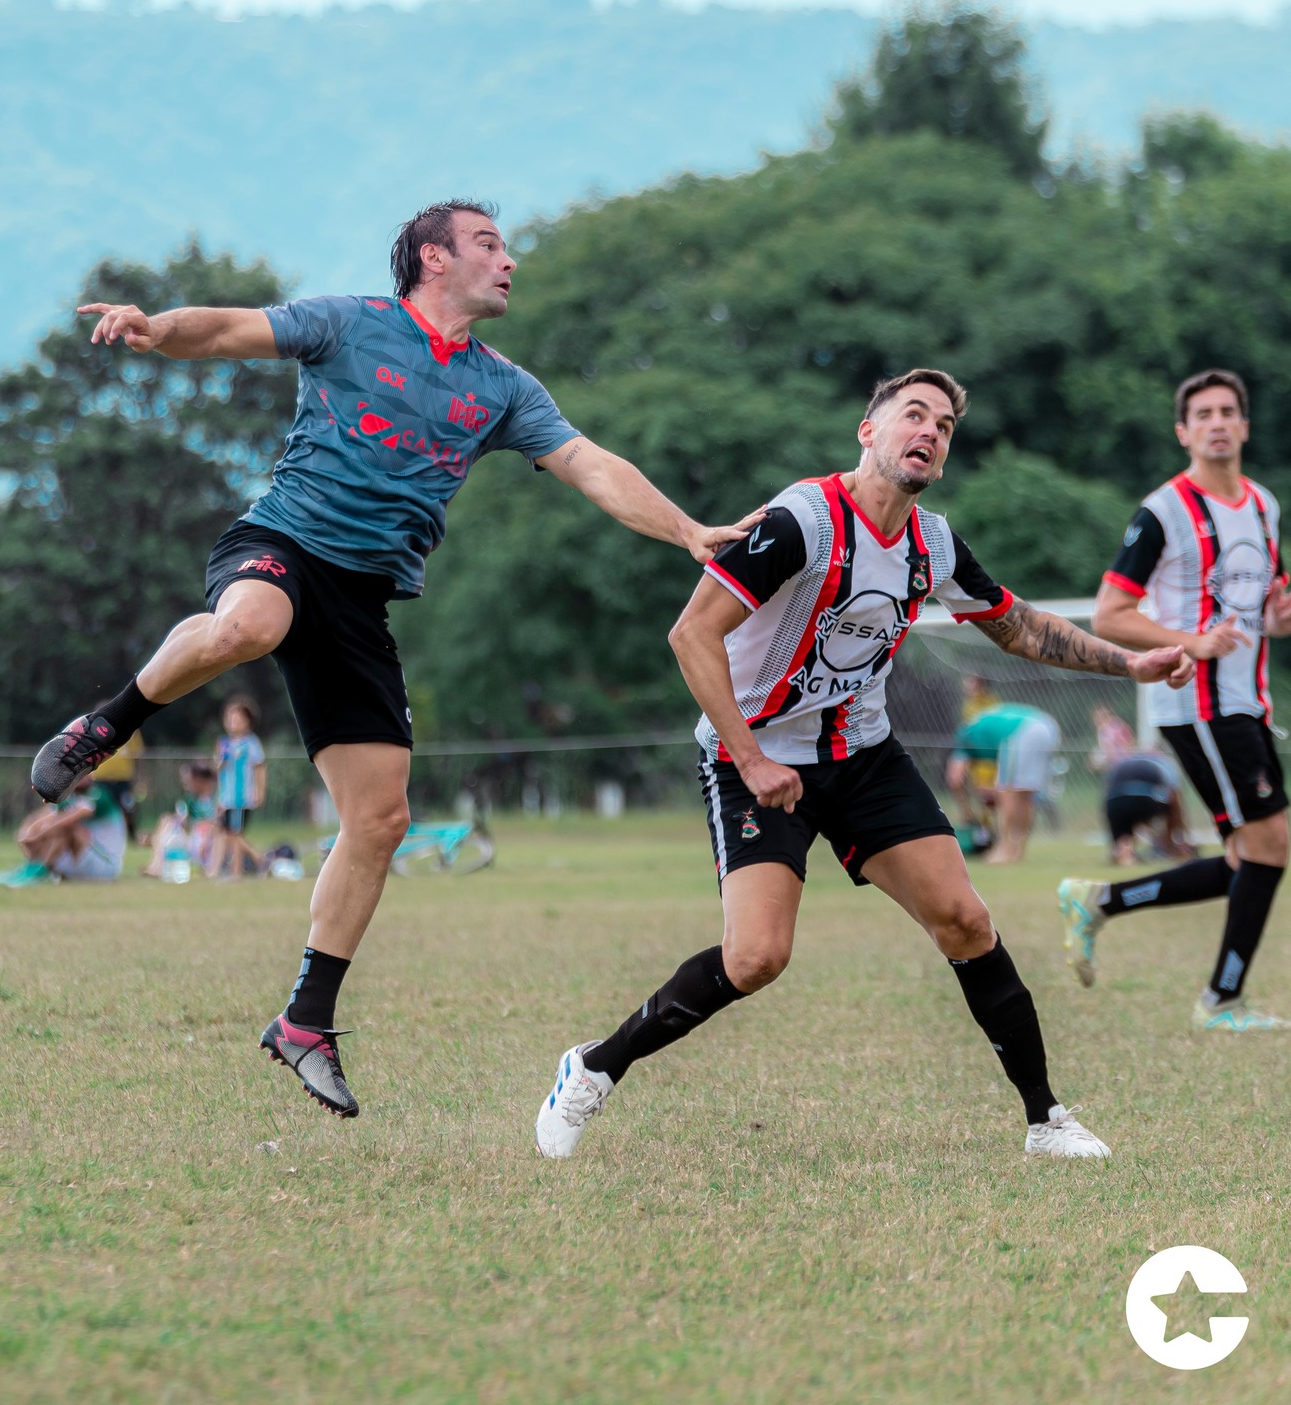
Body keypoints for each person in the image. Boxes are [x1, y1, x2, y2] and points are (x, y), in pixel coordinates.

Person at [29, 200, 758, 1118]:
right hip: (280, 545)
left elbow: (591, 465)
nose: (509, 261)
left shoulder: (503, 388)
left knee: (379, 821)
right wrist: (155, 327)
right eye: (488, 244)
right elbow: (226, 331)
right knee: (249, 626)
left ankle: (304, 1021)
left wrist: (687, 530)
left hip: (361, 600)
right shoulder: (349, 324)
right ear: (431, 258)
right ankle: (107, 724)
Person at [535, 368, 1195, 1165]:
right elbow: (691, 635)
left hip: (862, 756)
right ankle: (595, 1067)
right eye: (913, 415)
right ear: (868, 431)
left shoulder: (932, 544)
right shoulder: (800, 523)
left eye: (943, 426)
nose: (929, 432)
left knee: (965, 920)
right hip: (756, 761)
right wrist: (750, 757)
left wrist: (1131, 664)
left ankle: (1045, 1120)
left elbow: (1017, 627)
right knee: (755, 958)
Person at [1060, 368, 1291, 1028]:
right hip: (1199, 704)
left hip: (1246, 701)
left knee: (1253, 855)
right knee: (1270, 843)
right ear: (1183, 432)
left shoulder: (1263, 506)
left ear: (1244, 426)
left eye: (1226, 412)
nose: (1216, 423)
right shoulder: (1164, 511)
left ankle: (1099, 901)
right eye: (1202, 414)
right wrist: (1191, 642)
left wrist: (1275, 619)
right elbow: (1110, 614)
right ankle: (1220, 1001)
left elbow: (1263, 606)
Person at [945, 701, 1061, 865]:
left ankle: (1004, 850)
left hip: (1023, 733)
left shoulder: (964, 736)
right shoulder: (982, 728)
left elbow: (955, 780)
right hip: (1048, 728)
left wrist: (967, 813)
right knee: (1026, 795)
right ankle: (1018, 850)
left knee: (1007, 792)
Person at [14, 777, 127, 882]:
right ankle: (31, 868)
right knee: (45, 824)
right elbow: (47, 817)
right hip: (84, 860)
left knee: (67, 828)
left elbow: (71, 818)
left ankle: (42, 870)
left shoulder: (98, 795)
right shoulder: (71, 796)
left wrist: (37, 836)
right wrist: (29, 832)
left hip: (105, 864)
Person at [210, 698, 267, 879]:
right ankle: (257, 860)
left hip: (241, 797)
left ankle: (237, 871)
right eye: (230, 718)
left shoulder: (251, 743)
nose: (233, 722)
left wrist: (260, 791)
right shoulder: (224, 743)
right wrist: (218, 797)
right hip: (226, 798)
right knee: (227, 834)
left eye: (238, 719)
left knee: (235, 834)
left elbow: (259, 767)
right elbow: (219, 770)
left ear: (248, 721)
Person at [1103, 751, 1191, 867]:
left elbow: (1107, 793)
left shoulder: (1123, 762)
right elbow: (1173, 796)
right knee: (1171, 808)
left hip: (1115, 801)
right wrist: (1180, 832)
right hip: (1145, 799)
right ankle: (1170, 846)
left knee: (1123, 824)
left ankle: (1123, 850)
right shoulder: (1165, 763)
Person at [143, 758, 219, 878]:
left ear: (199, 780)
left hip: (208, 844)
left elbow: (218, 825)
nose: (186, 784)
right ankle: (156, 866)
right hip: (193, 840)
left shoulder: (216, 800)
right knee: (166, 820)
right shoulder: (189, 800)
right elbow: (182, 822)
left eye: (189, 780)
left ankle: (156, 865)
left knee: (167, 822)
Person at [91, 727, 144, 841]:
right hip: (101, 779)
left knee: (128, 808)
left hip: (123, 779)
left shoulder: (133, 729)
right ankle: (100, 834)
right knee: (101, 809)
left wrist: (139, 778)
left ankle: (131, 836)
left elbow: (137, 755)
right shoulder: (99, 726)